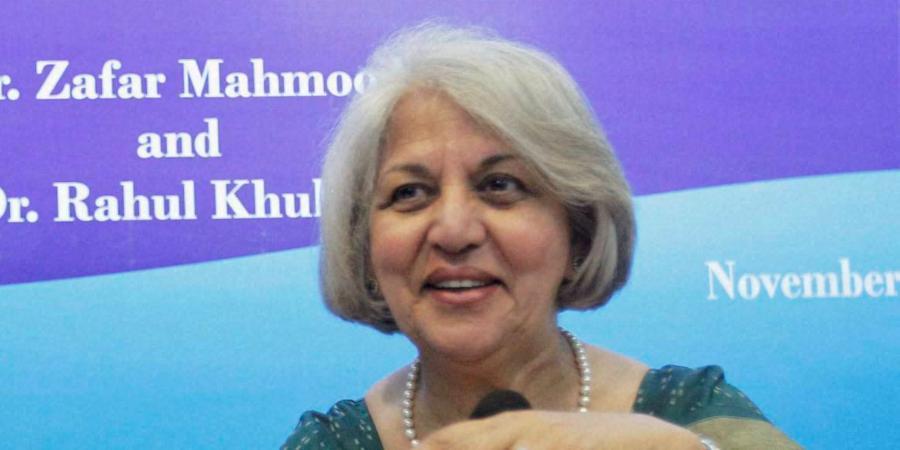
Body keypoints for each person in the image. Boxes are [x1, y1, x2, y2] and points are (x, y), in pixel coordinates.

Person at [282, 23, 800, 450]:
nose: (454, 232)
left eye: (500, 186)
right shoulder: (337, 442)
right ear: (365, 248)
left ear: (579, 231)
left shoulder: (688, 412)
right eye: (410, 193)